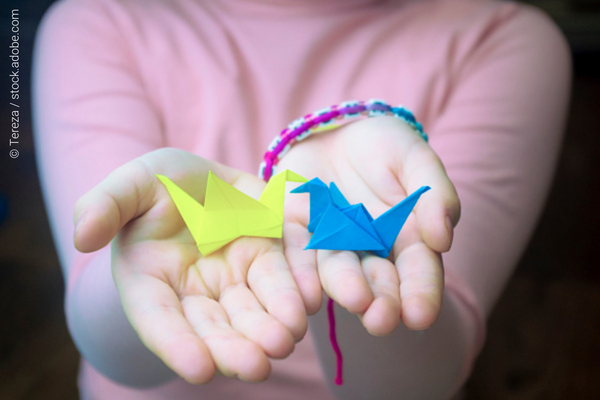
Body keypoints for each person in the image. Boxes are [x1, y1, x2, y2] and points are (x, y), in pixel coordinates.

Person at [32, 0, 571, 398]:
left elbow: (418, 382)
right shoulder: (96, 20)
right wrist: (144, 253)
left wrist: (351, 256)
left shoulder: (502, 37)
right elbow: (106, 345)